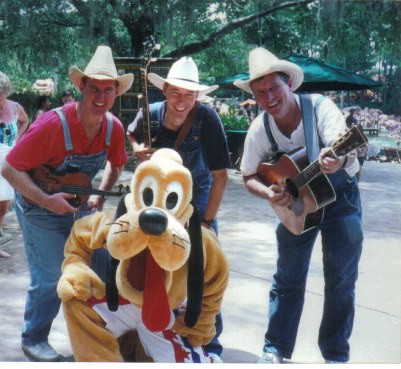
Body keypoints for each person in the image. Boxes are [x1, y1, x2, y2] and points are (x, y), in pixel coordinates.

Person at [1, 45, 133, 362]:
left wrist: (98, 199)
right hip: (38, 206)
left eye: (107, 90)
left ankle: (104, 335)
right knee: (51, 275)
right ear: (81, 88)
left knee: (105, 266)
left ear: (116, 92)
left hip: (78, 206)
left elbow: (116, 166)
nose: (100, 98)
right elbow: (9, 168)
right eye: (93, 90)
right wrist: (46, 199)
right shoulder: (50, 124)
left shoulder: (113, 127)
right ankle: (34, 338)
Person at [235, 47, 363, 364]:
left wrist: (339, 158)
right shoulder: (260, 128)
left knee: (341, 280)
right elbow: (249, 175)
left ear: (289, 84)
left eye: (274, 88)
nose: (269, 97)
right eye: (260, 92)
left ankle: (335, 355)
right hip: (296, 209)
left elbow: (344, 149)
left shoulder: (320, 108)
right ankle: (276, 349)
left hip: (340, 201)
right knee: (287, 279)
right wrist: (269, 194)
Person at [126, 56, 231, 358]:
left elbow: (220, 176)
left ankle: (210, 344)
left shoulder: (207, 119)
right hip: (158, 203)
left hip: (196, 201)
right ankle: (164, 334)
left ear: (197, 96)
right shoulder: (151, 113)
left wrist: (207, 222)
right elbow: (132, 133)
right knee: (157, 267)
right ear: (165, 90)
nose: (181, 100)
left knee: (204, 271)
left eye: (189, 94)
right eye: (176, 92)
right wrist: (137, 150)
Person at [0, 71, 29, 257]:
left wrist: (17, 139)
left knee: (3, 205)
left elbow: (25, 121)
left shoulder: (15, 107)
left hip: (7, 160)